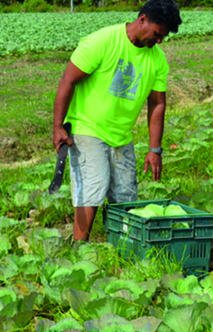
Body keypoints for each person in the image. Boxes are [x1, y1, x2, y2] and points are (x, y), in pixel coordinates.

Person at [52, 0, 182, 242]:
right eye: (157, 33)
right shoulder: (102, 41)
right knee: (93, 187)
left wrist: (155, 150)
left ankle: (121, 249)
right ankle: (80, 248)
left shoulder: (157, 60)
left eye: (164, 37)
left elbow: (157, 104)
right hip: (86, 127)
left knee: (125, 195)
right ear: (142, 19)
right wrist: (58, 126)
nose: (159, 40)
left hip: (121, 134)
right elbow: (67, 81)